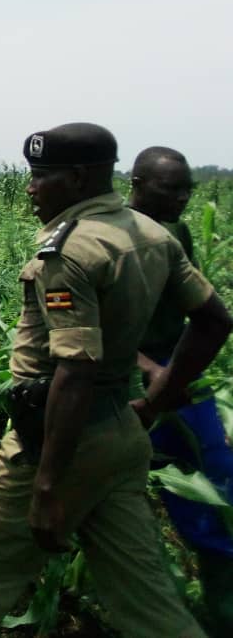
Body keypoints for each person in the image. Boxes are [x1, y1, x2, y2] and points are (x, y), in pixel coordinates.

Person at [0, 123, 232, 638]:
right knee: (152, 609)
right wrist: (156, 401)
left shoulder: (70, 252)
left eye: (41, 176)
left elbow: (74, 370)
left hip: (54, 443)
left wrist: (47, 485)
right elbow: (214, 320)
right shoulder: (153, 235)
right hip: (121, 439)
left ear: (76, 179)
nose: (31, 188)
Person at [129, 146, 233, 634]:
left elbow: (200, 311)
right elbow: (88, 329)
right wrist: (149, 369)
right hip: (122, 371)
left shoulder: (177, 233)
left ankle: (222, 590)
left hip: (175, 366)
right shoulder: (109, 238)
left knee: (215, 473)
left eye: (187, 188)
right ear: (136, 184)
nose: (183, 197)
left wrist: (172, 374)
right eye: (170, 188)